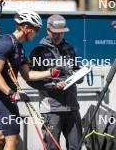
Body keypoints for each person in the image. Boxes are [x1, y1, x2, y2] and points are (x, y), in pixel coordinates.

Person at [0, 10, 62, 150]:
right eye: (36, 29)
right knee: (13, 139)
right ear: (25, 28)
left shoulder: (19, 47)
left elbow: (27, 75)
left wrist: (50, 72)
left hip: (4, 97)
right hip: (2, 97)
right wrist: (11, 93)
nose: (37, 33)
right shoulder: (6, 43)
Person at [27, 14, 83, 150]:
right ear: (48, 30)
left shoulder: (69, 49)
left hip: (72, 107)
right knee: (52, 147)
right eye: (55, 33)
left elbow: (78, 72)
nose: (58, 36)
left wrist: (79, 75)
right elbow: (30, 79)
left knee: (76, 146)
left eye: (61, 33)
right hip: (51, 110)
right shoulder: (38, 51)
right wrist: (52, 85)